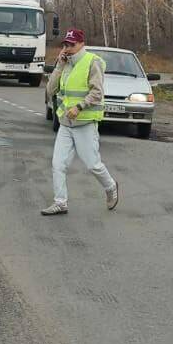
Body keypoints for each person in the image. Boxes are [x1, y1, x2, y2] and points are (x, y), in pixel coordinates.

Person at [42, 29, 119, 215]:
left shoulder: (92, 62)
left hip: (84, 123)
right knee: (58, 164)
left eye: (72, 44)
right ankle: (60, 202)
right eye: (65, 44)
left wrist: (80, 106)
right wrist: (59, 66)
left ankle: (110, 187)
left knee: (93, 164)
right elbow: (50, 90)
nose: (68, 48)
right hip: (66, 124)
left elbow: (97, 92)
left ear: (81, 44)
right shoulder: (65, 64)